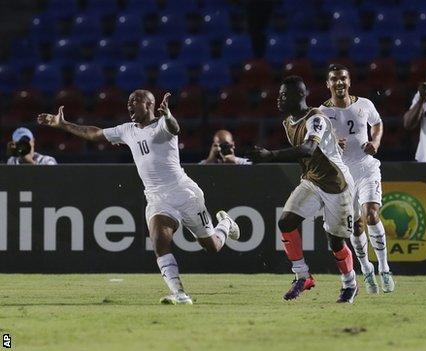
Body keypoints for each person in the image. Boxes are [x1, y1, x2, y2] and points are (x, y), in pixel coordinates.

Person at [37, 90, 240, 305]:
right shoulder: (127, 130)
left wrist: (169, 116)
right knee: (159, 241)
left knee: (212, 246)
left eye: (135, 101)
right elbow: (94, 133)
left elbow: (174, 127)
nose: (129, 105)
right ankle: (179, 293)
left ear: (149, 104)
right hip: (157, 197)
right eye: (128, 102)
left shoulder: (162, 125)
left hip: (185, 193)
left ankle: (225, 224)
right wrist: (63, 124)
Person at [251, 76, 358, 303]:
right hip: (312, 180)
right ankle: (302, 276)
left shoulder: (315, 119)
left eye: (283, 95)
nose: (278, 98)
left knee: (336, 242)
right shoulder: (288, 122)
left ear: (299, 95)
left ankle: (350, 283)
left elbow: (309, 149)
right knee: (286, 221)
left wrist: (270, 156)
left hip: (337, 184)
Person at [318, 64, 395, 294]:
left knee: (371, 215)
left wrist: (376, 142)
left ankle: (384, 268)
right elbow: (315, 144)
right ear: (328, 84)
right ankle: (366, 269)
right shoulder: (322, 112)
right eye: (334, 79)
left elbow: (378, 123)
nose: (339, 83)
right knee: (356, 227)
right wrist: (330, 144)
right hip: (342, 176)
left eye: (343, 78)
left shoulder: (365, 105)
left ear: (349, 81)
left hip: (366, 168)